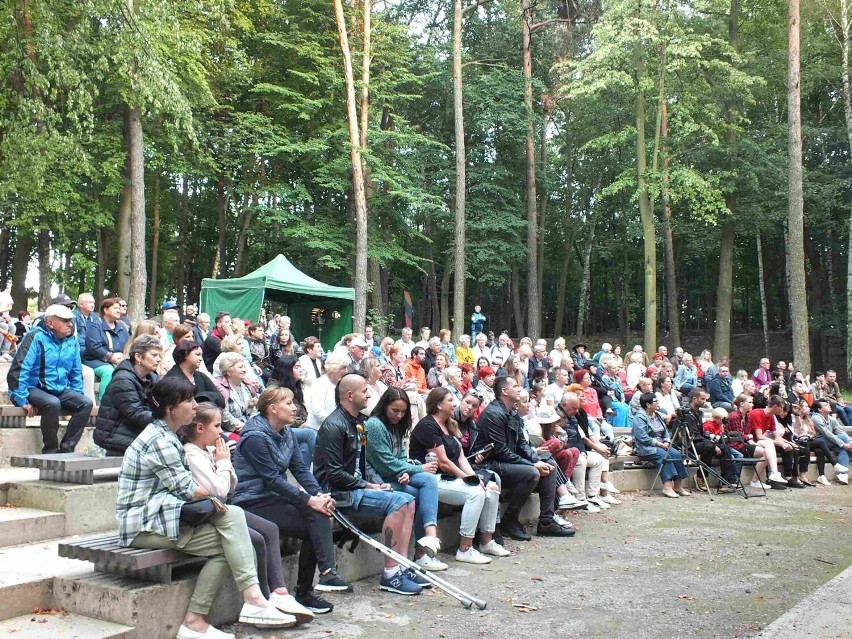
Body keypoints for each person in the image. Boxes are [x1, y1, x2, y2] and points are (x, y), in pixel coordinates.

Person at [118, 378, 295, 637]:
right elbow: (190, 490)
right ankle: (250, 602)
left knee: (230, 537)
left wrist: (216, 491)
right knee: (231, 522)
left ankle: (198, 620)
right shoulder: (158, 441)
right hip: (142, 524)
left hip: (162, 516)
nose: (194, 405)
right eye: (188, 401)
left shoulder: (166, 435)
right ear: (171, 409)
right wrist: (220, 474)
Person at [178, 402, 315, 624]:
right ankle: (263, 599)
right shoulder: (192, 454)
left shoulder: (210, 451)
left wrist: (223, 464)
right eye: (217, 426)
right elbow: (220, 490)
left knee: (269, 529)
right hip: (206, 515)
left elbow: (231, 484)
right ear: (200, 429)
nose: (221, 432)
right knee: (257, 539)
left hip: (222, 509)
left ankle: (277, 594)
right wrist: (223, 463)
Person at [231, 386, 350, 615]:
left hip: (274, 498)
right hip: (251, 501)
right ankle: (323, 576)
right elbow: (272, 479)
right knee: (313, 516)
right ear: (273, 409)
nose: (294, 408)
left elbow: (300, 469)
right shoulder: (254, 437)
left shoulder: (287, 433)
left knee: (319, 514)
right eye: (288, 403)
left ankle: (318, 581)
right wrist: (308, 500)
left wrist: (319, 495)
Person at [313, 374, 425, 596]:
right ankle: (391, 574)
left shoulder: (359, 422)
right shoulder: (334, 426)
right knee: (398, 502)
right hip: (339, 494)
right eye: (365, 391)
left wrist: (378, 481)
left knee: (409, 500)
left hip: (358, 487)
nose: (369, 394)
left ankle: (401, 565)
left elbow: (363, 462)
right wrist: (369, 486)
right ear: (350, 395)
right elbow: (334, 474)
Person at [410, 387, 510, 563]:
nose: (454, 403)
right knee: (476, 493)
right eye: (450, 400)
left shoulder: (450, 424)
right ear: (439, 405)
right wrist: (467, 479)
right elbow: (443, 462)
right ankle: (465, 548)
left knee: (491, 487)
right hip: (432, 478)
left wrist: (475, 478)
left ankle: (487, 542)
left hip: (451, 477)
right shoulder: (427, 426)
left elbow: (461, 458)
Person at [478, 376, 572, 540]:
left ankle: (547, 521)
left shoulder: (512, 413)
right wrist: (533, 465)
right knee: (532, 473)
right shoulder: (493, 414)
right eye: (515, 386)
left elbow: (522, 444)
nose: (519, 388)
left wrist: (536, 460)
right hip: (491, 463)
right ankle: (509, 520)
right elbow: (501, 451)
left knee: (549, 464)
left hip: (507, 461)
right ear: (505, 391)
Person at [365, 387, 447, 571]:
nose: (399, 415)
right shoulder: (374, 425)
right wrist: (417, 468)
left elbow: (400, 457)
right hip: (378, 480)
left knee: (426, 482)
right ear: (385, 406)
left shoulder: (396, 426)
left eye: (403, 411)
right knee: (422, 485)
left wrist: (406, 472)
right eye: (395, 410)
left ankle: (424, 546)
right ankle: (425, 546)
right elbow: (384, 463)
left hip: (395, 476)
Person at [7, 304, 94, 454]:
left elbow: (75, 372)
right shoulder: (35, 337)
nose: (70, 324)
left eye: (70, 321)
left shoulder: (71, 341)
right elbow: (19, 369)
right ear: (50, 323)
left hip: (58, 388)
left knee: (85, 403)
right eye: (65, 321)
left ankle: (67, 449)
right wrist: (21, 399)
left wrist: (77, 394)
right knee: (53, 403)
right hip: (32, 388)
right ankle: (50, 451)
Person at [93, 335, 161, 455]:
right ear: (138, 356)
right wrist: (168, 417)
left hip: (135, 430)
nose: (159, 359)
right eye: (154, 355)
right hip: (113, 434)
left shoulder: (153, 378)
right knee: (160, 448)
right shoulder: (123, 380)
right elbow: (137, 414)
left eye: (159, 355)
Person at [676, 389, 739, 492]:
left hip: (699, 441)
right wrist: (712, 444)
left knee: (725, 448)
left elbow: (701, 434)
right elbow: (692, 435)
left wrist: (712, 439)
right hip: (687, 443)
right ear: (694, 399)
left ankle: (727, 481)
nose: (704, 401)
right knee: (709, 447)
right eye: (702, 399)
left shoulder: (699, 413)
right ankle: (700, 476)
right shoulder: (687, 413)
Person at [632, 393, 690, 498]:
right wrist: (658, 444)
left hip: (662, 445)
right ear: (648, 405)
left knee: (676, 454)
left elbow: (665, 432)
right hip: (647, 447)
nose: (658, 403)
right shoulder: (639, 417)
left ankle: (678, 485)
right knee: (664, 455)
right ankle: (667, 487)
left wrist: (667, 441)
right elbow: (642, 437)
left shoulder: (657, 415)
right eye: (656, 401)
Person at [270, 356, 318, 468]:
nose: (301, 370)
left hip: (295, 425)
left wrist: (304, 421)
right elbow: (278, 417)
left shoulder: (295, 386)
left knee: (304, 447)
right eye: (297, 367)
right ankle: (326, 470)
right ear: (286, 370)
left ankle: (303, 483)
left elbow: (301, 412)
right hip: (278, 429)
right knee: (310, 433)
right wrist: (301, 423)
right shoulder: (275, 390)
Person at [83, 297, 131, 400]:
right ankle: (104, 403)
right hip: (94, 359)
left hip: (119, 359)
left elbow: (128, 345)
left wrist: (124, 356)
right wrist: (111, 357)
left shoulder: (122, 327)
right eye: (115, 308)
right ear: (105, 310)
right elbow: (94, 347)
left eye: (119, 308)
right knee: (108, 371)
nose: (119, 310)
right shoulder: (95, 325)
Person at [165, 341, 224, 406]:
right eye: (197, 355)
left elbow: (220, 399)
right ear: (185, 355)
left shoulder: (201, 376)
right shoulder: (172, 380)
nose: (201, 359)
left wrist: (202, 398)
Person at [215, 352, 259, 436]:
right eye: (240, 367)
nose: (244, 370)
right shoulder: (220, 388)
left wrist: (253, 422)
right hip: (229, 431)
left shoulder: (247, 385)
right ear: (228, 371)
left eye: (244, 367)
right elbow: (225, 418)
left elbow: (253, 411)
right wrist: (247, 427)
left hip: (250, 426)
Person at [811, 399, 852, 485]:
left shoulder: (830, 418)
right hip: (819, 441)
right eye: (825, 405)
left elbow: (839, 431)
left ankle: (843, 475)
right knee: (843, 440)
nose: (829, 405)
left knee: (842, 450)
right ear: (820, 409)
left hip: (830, 442)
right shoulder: (815, 418)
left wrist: (849, 443)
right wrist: (843, 444)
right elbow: (827, 434)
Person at [305, 351, 350, 429]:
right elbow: (318, 412)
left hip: (337, 427)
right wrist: (338, 424)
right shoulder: (320, 384)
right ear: (334, 368)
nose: (346, 371)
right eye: (343, 368)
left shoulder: (343, 383)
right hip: (318, 429)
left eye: (346, 367)